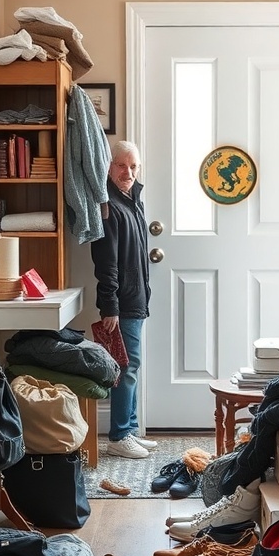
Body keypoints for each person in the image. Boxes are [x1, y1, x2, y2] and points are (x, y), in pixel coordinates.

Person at [91, 140, 158, 459]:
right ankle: (118, 435)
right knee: (124, 368)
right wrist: (110, 307)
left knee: (132, 366)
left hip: (136, 298)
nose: (128, 172)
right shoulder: (109, 207)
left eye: (133, 166)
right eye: (121, 165)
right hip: (121, 302)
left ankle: (129, 429)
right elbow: (106, 262)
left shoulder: (133, 201)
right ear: (109, 166)